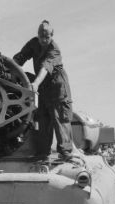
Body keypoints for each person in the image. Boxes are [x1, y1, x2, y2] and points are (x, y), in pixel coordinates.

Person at [13, 20, 74, 161]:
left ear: (52, 35)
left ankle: (65, 152)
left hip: (58, 87)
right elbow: (19, 58)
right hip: (43, 87)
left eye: (47, 37)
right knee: (42, 118)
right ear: (38, 35)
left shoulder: (54, 49)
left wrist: (35, 83)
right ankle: (42, 152)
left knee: (60, 117)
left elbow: (45, 68)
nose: (44, 40)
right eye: (41, 37)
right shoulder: (34, 43)